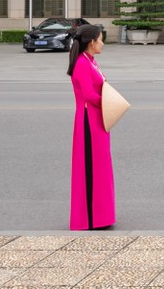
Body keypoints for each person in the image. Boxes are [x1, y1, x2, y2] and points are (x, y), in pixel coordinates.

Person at [68, 24, 115, 230]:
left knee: (101, 167)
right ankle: (90, 219)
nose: (103, 43)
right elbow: (88, 94)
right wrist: (109, 101)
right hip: (89, 121)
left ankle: (102, 216)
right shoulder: (82, 64)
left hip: (98, 119)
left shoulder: (91, 62)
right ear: (91, 42)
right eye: (101, 39)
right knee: (92, 168)